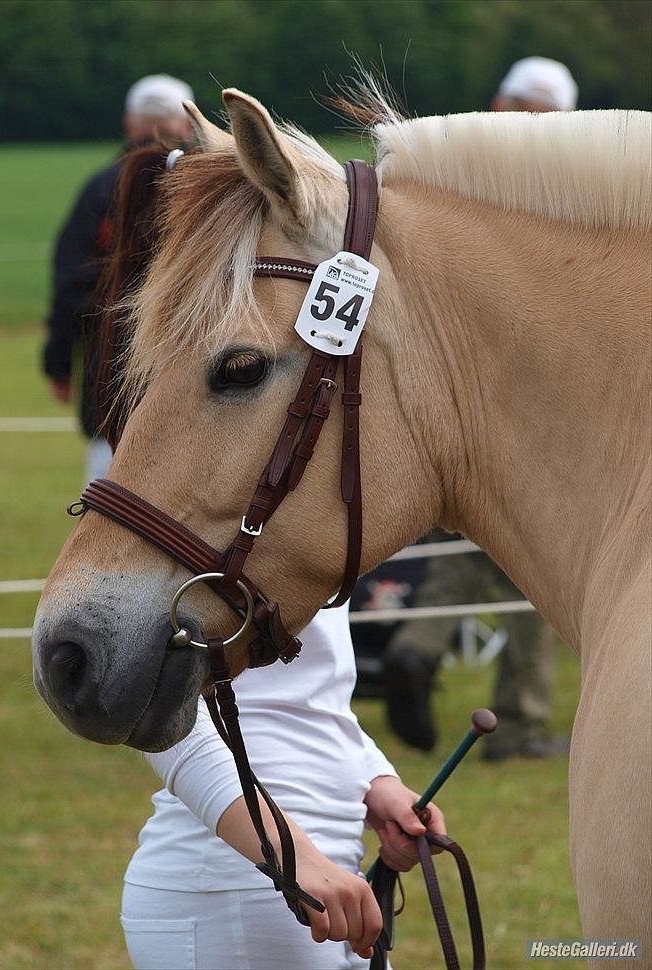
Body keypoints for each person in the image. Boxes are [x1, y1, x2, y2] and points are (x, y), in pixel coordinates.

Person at [95, 145, 447, 970]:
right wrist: (289, 857)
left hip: (309, 878)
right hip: (238, 881)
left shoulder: (284, 482)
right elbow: (165, 719)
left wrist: (377, 784)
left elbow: (313, 691)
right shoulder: (171, 478)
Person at [384, 58, 578, 761]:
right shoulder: (557, 196)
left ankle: (416, 644)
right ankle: (520, 723)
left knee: (462, 550)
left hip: (448, 395)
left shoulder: (449, 178)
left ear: (500, 103)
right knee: (538, 565)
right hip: (534, 406)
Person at [42, 74, 194, 483]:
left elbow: (71, 286)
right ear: (188, 124)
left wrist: (58, 363)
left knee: (106, 515)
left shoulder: (99, 190)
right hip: (202, 382)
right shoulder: (212, 187)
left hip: (111, 384)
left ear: (129, 123)